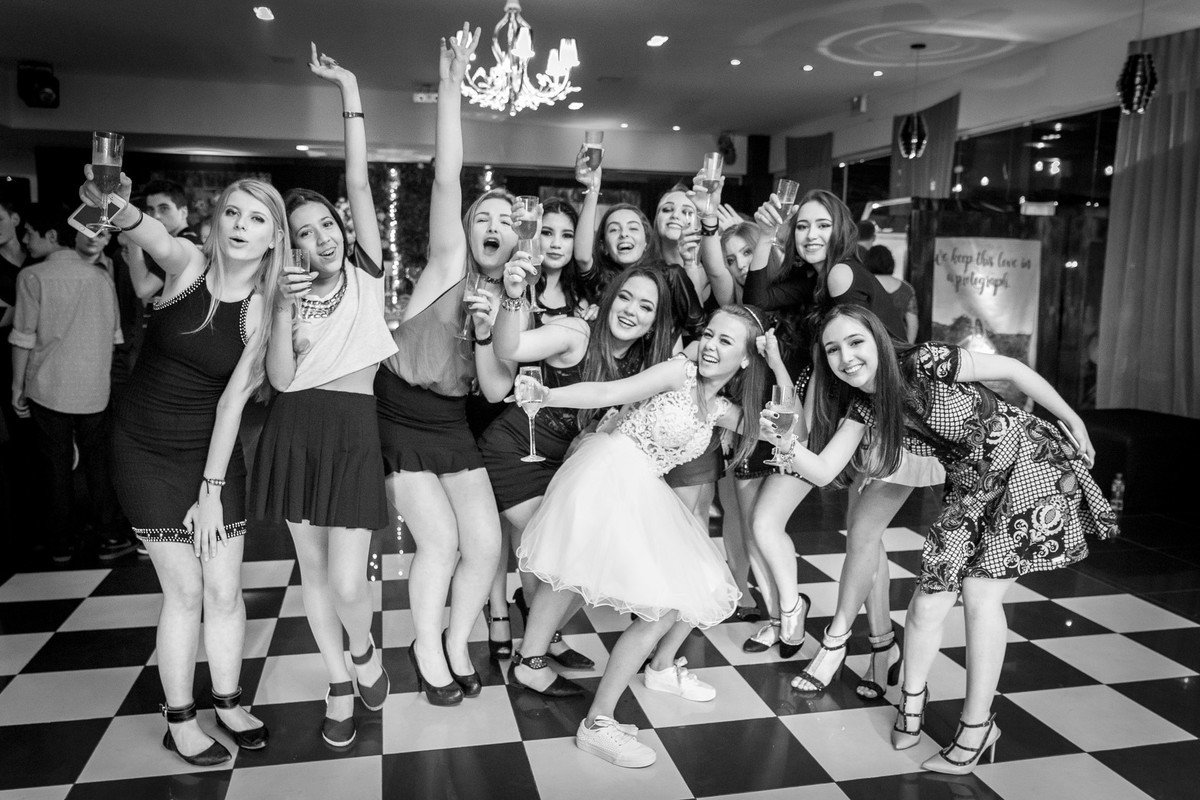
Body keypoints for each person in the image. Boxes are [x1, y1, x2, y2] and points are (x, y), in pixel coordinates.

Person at [767, 303, 1117, 774]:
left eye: (855, 342)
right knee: (927, 602)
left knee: (979, 593)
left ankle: (976, 729)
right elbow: (825, 468)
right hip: (972, 487)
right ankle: (912, 705)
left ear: (878, 341)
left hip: (1027, 464)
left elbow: (1014, 369)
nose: (846, 357)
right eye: (833, 349)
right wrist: (784, 444)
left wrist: (1073, 419)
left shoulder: (926, 360)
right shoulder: (863, 406)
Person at [79, 166, 283, 766]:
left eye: (258, 219)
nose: (242, 226)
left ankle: (227, 700)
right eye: (233, 213)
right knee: (186, 589)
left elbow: (231, 404)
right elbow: (146, 231)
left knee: (224, 589)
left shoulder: (266, 309)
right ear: (216, 221)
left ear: (274, 237)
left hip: (213, 451)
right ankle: (179, 719)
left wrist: (212, 489)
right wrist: (111, 204)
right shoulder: (188, 264)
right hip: (143, 449)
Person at [515, 305, 767, 768]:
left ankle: (608, 710)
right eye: (709, 334)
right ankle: (597, 722)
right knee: (657, 601)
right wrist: (548, 395)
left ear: (749, 358)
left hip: (642, 489)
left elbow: (784, 427)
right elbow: (613, 391)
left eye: (726, 341)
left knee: (673, 599)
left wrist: (780, 362)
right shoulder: (678, 373)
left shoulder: (722, 408)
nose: (710, 345)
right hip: (609, 474)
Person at [250, 45, 394, 747]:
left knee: (347, 582)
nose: (321, 239)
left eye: (326, 226)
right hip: (295, 427)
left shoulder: (367, 274)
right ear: (294, 248)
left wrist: (350, 88)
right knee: (310, 572)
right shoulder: (286, 292)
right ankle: (339, 681)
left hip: (354, 427)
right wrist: (280, 309)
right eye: (304, 235)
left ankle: (363, 650)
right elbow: (277, 381)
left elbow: (360, 184)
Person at [373, 24, 512, 706]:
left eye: (506, 218)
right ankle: (426, 647)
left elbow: (497, 385)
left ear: (517, 240)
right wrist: (452, 85)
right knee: (439, 544)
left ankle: (458, 641)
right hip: (401, 414)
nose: (493, 222)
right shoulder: (449, 263)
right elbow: (449, 174)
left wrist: (492, 332)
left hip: (454, 425)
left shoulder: (507, 299)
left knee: (483, 547)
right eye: (484, 213)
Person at [743, 189, 923, 690]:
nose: (811, 235)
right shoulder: (814, 277)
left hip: (881, 413)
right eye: (802, 226)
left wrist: (811, 421)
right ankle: (884, 647)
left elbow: (849, 359)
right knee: (866, 538)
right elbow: (756, 301)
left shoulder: (842, 273)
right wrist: (764, 236)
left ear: (841, 228)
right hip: (857, 414)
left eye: (822, 225)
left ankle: (845, 643)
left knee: (863, 536)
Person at [493, 266, 674, 693]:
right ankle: (531, 659)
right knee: (573, 552)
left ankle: (541, 628)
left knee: (575, 555)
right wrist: (513, 295)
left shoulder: (640, 364)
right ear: (611, 296)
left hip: (563, 464)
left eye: (645, 307)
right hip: (514, 451)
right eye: (626, 297)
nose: (631, 311)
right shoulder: (576, 332)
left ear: (654, 323)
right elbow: (512, 345)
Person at [479, 195, 595, 664]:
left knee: (533, 540)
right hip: (496, 413)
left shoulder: (580, 302)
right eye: (547, 231)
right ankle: (501, 614)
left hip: (549, 429)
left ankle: (539, 630)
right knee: (503, 533)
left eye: (566, 234)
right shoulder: (508, 284)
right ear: (529, 234)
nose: (557, 243)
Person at [8, 205, 128, 562]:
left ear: (51, 236)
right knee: (98, 464)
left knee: (55, 466)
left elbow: (22, 337)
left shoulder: (32, 276)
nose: (24, 240)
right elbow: (114, 335)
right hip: (95, 387)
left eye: (29, 233)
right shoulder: (101, 277)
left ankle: (61, 542)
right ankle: (109, 535)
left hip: (48, 386)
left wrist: (16, 387)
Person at [865, 244, 918, 343]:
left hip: (872, 342)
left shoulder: (865, 285)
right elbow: (913, 324)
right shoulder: (906, 288)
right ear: (891, 262)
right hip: (898, 344)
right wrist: (908, 348)